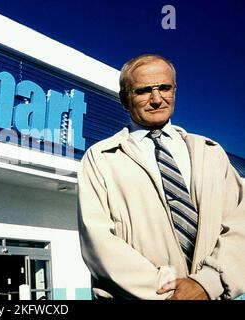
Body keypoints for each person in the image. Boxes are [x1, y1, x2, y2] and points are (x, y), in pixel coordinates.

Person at [77, 54, 245, 300]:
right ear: (125, 100)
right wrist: (170, 292)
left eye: (164, 88)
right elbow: (99, 243)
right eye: (143, 91)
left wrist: (207, 283)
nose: (157, 99)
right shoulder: (101, 158)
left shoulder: (211, 152)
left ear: (174, 91)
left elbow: (241, 224)